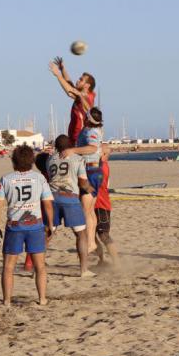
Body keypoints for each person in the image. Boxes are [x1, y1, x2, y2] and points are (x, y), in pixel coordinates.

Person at [0, 145, 55, 306]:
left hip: (14, 227)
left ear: (14, 161)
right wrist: (50, 225)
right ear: (32, 161)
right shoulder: (39, 178)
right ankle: (42, 299)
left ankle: (7, 300)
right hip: (35, 226)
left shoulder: (6, 179)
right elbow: (48, 204)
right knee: (40, 266)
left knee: (8, 267)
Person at [47, 135, 95, 277]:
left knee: (48, 233)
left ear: (56, 146)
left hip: (52, 198)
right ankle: (84, 270)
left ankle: (38, 267)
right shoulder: (78, 159)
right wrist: (92, 190)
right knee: (81, 234)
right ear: (70, 145)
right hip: (70, 198)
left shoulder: (50, 160)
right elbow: (83, 183)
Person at [62, 107, 104, 254]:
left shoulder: (90, 132)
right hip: (96, 172)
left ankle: (91, 243)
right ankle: (92, 242)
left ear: (88, 118)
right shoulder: (95, 130)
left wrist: (72, 151)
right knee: (90, 210)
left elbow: (92, 148)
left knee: (85, 210)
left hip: (90, 172)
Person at [48, 57, 96, 145]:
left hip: (79, 138)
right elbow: (70, 85)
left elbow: (69, 92)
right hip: (75, 137)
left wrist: (58, 75)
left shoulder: (86, 96)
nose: (77, 81)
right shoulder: (81, 94)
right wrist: (62, 69)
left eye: (81, 80)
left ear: (87, 85)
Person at [94, 146, 120, 268]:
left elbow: (97, 183)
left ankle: (117, 264)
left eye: (98, 152)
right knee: (92, 235)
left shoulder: (102, 167)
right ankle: (101, 260)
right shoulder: (98, 165)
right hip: (94, 204)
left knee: (103, 235)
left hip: (101, 205)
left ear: (103, 154)